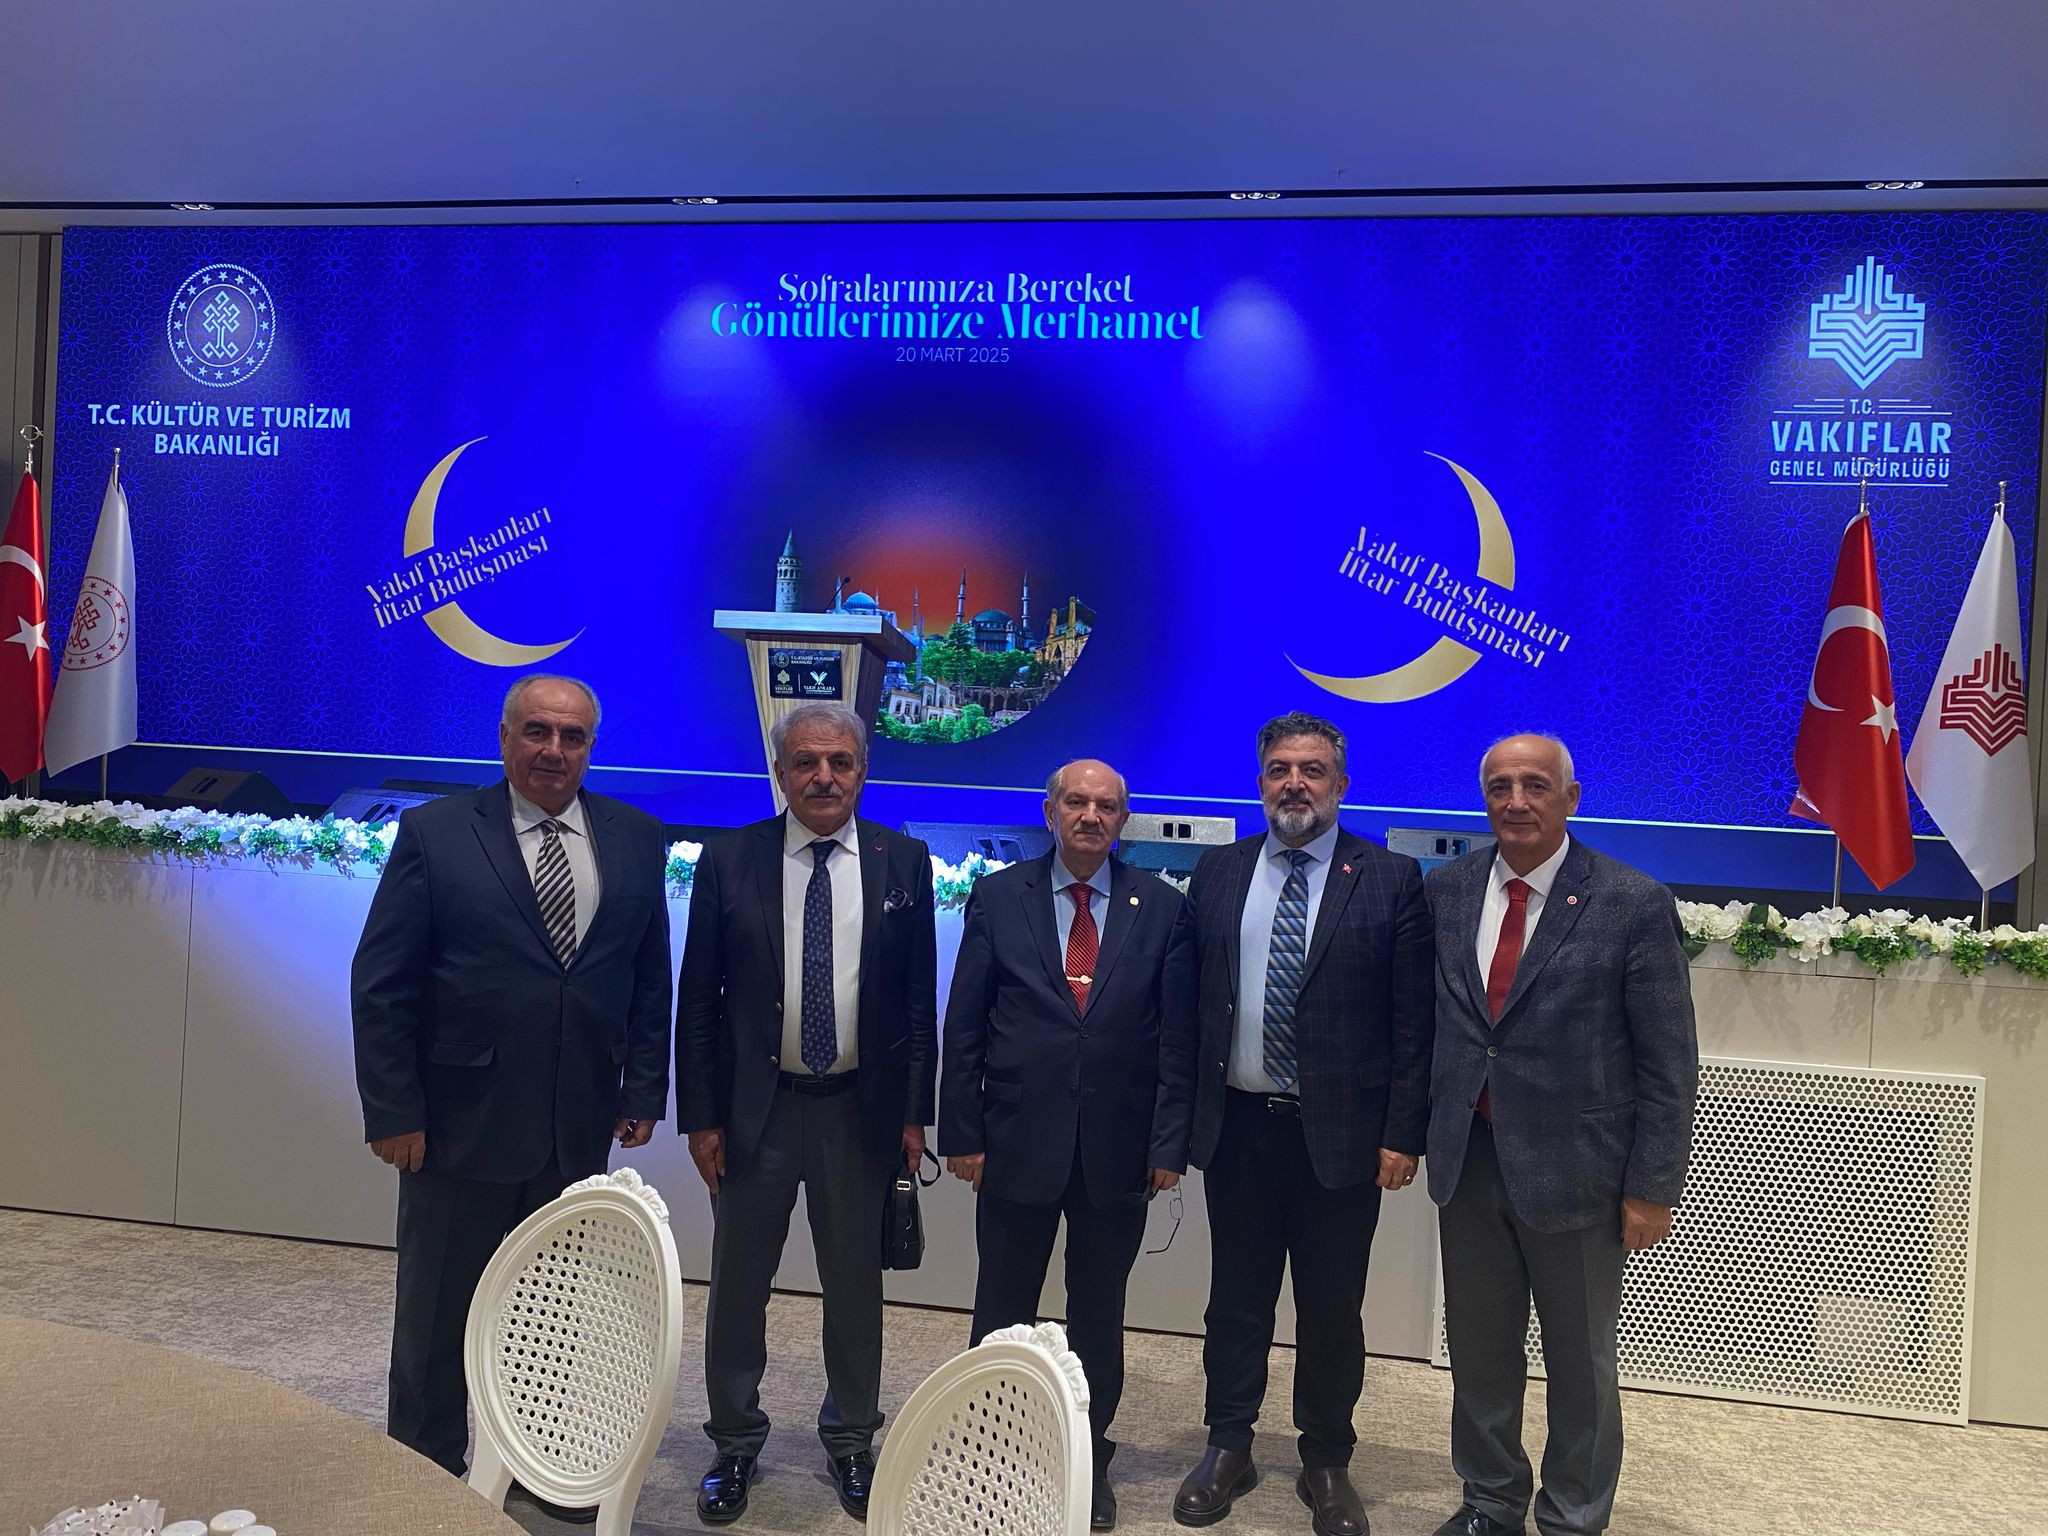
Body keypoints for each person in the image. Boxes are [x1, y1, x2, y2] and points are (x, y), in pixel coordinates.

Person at [352, 673, 672, 1516]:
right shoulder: (435, 833)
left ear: (591, 748)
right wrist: (394, 1110)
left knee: (555, 1310)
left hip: (579, 1124)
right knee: (438, 1311)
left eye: (572, 737)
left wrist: (644, 1085)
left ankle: (544, 1470)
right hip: (456, 1126)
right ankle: (423, 1471)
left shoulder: (637, 837)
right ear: (504, 738)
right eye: (537, 732)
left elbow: (648, 977)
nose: (553, 751)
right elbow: (382, 984)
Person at [1423, 734, 1698, 1536]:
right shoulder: (1446, 891)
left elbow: (1668, 1063)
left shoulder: (1631, 902)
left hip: (1582, 1174)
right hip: (1469, 1160)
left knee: (1581, 1363)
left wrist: (1652, 1187)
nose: (1516, 802)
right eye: (1500, 786)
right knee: (1480, 1351)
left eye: (1535, 786)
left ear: (1571, 798)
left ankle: (1574, 1515)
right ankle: (1490, 1501)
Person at [676, 701, 937, 1524]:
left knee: (855, 1287)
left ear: (862, 770)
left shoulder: (904, 861)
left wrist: (914, 1114)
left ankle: (852, 1439)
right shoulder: (731, 858)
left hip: (859, 1112)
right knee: (738, 1286)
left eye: (840, 762)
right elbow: (699, 1001)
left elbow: (918, 1005)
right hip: (755, 1113)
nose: (824, 777)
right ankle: (734, 1441)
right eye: (806, 762)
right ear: (781, 771)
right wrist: (701, 1118)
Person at [1173, 711, 1433, 1536]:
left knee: (1331, 1309)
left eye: (1312, 770)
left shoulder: (1389, 878)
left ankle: (1326, 1458)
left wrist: (1403, 1133)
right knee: (1235, 1300)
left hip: (1344, 1137)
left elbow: (1413, 1024)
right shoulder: (1219, 871)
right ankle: (1229, 1444)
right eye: (1280, 770)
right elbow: (1191, 1009)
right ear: (1260, 784)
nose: (1295, 784)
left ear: (1341, 785)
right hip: (1239, 1127)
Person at [940, 758, 1197, 1531]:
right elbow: (966, 1025)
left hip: (1120, 1151)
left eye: (1106, 806)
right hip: (1015, 1141)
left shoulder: (1162, 907)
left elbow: (1178, 1040)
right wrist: (963, 1132)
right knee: (1003, 1306)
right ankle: (992, 1449)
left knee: (1098, 1313)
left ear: (1123, 820)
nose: (1091, 816)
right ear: (1050, 812)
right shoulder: (997, 897)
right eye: (1076, 803)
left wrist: (1169, 1145)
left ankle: (1086, 1456)